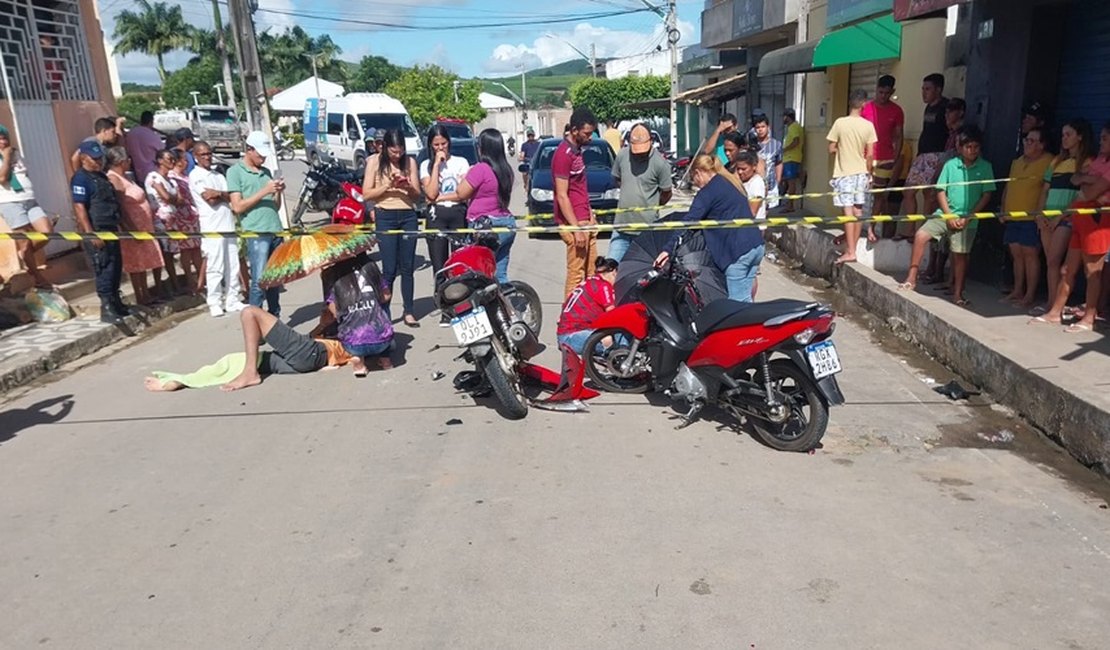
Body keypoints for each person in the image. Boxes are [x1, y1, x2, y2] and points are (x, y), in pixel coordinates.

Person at [148, 256, 394, 392]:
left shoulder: (338, 290)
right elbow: (382, 301)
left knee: (249, 313)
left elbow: (330, 321)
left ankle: (249, 375)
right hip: (311, 359)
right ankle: (185, 380)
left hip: (314, 352)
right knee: (240, 360)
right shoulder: (366, 309)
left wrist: (323, 322)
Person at [900, 126, 995, 306]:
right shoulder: (951, 165)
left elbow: (986, 195)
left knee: (960, 255)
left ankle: (958, 293)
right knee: (921, 236)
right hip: (945, 214)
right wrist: (949, 215)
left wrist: (969, 216)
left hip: (968, 219)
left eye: (976, 147)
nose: (972, 151)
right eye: (968, 147)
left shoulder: (985, 167)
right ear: (960, 148)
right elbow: (940, 191)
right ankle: (911, 278)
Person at [656, 155, 763, 302]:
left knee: (736, 305)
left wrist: (667, 250)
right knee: (746, 299)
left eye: (694, 178)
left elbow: (689, 222)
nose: (695, 183)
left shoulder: (708, 192)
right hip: (755, 245)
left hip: (737, 252)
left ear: (698, 172)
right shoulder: (729, 182)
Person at [1036, 122, 1110, 332]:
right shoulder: (1100, 161)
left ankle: (1088, 318)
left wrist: (1087, 180)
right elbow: (1076, 179)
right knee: (1067, 268)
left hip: (1097, 220)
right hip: (1081, 215)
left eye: (1105, 138)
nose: (1100, 141)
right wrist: (1089, 179)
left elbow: (1089, 192)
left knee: (1092, 271)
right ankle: (1054, 313)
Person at [361, 128, 420, 327]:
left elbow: (417, 195)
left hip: (407, 215)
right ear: (384, 147)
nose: (397, 155)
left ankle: (409, 311)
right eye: (393, 152)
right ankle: (384, 312)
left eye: (400, 151)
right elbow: (366, 194)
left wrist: (407, 186)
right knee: (389, 268)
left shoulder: (409, 162)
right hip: (385, 215)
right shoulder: (374, 162)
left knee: (408, 266)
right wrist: (387, 187)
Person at [71, 141, 131, 323]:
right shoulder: (80, 178)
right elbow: (79, 208)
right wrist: (91, 233)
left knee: (115, 267)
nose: (98, 162)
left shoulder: (101, 177)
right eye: (93, 158)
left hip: (110, 228)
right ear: (83, 158)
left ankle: (115, 301)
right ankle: (107, 308)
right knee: (104, 268)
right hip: (97, 229)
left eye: (99, 158)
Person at [228, 131, 285, 317]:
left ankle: (274, 318)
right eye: (260, 154)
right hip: (257, 232)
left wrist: (277, 191)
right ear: (249, 150)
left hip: (275, 229)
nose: (263, 158)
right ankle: (255, 321)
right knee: (259, 281)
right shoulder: (235, 172)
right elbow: (237, 206)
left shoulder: (266, 173)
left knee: (274, 280)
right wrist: (264, 191)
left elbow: (275, 206)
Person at [190, 140, 245, 317]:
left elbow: (231, 196)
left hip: (227, 224)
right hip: (211, 226)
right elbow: (210, 199)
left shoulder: (219, 176)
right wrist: (220, 195)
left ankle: (232, 299)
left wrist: (219, 193)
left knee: (232, 264)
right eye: (202, 154)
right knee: (215, 266)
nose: (207, 157)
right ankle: (214, 301)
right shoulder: (196, 175)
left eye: (208, 153)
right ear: (195, 157)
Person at [104, 146, 163, 306]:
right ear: (121, 161)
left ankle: (146, 293)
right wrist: (130, 228)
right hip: (132, 226)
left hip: (144, 225)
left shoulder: (127, 176)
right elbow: (121, 205)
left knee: (143, 261)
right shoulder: (114, 178)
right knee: (135, 263)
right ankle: (140, 295)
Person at [999, 127, 1051, 308]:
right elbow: (1008, 187)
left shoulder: (1049, 162)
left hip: (1031, 217)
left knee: (1030, 255)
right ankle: (1017, 290)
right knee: (1016, 254)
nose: (1027, 144)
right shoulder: (1017, 162)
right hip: (1013, 215)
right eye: (1026, 140)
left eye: (1032, 141)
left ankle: (1029, 295)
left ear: (1042, 145)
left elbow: (1047, 189)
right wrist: (1003, 208)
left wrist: (1039, 213)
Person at [456, 128, 517, 283]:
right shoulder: (507, 170)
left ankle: (484, 307)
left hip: (485, 227)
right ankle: (505, 305)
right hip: (506, 223)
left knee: (480, 276)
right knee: (500, 273)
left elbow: (461, 194)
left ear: (482, 148)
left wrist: (463, 178)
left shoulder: (480, 169)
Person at [827, 89, 878, 264]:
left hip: (844, 173)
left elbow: (831, 148)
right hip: (861, 172)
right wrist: (869, 173)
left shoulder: (840, 123)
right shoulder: (868, 126)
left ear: (850, 103)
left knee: (848, 213)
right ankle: (852, 248)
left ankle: (850, 251)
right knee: (858, 212)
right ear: (864, 104)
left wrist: (843, 148)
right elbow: (870, 155)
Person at [0, 124, 55, 288]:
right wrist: (6, 156)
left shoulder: (16, 153)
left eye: (4, 138)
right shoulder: (8, 155)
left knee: (46, 232)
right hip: (9, 202)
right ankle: (37, 277)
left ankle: (25, 254)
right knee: (24, 241)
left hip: (29, 199)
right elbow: (3, 177)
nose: (3, 141)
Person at [608, 123, 672, 262]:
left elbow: (667, 193)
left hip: (647, 230)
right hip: (621, 227)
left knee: (644, 273)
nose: (640, 155)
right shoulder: (622, 156)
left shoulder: (660, 163)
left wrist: (652, 204)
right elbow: (617, 179)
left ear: (651, 142)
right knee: (610, 267)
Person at [552, 107, 599, 298]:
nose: (590, 137)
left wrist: (590, 213)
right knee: (576, 274)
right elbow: (562, 195)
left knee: (592, 272)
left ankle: (587, 311)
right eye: (587, 133)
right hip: (575, 224)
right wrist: (576, 228)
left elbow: (579, 188)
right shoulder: (563, 155)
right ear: (574, 130)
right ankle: (569, 319)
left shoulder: (576, 151)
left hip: (585, 219)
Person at [420, 124, 471, 281]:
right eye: (436, 145)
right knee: (439, 265)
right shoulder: (425, 166)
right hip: (437, 216)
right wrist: (436, 165)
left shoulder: (461, 162)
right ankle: (442, 296)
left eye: (444, 143)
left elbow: (463, 194)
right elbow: (430, 193)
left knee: (460, 262)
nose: (441, 148)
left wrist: (440, 198)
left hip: (457, 213)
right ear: (430, 146)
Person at [861, 75, 904, 238]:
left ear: (892, 91)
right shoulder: (866, 108)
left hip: (885, 157)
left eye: (887, 93)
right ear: (876, 89)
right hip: (864, 157)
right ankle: (853, 229)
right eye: (880, 92)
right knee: (858, 194)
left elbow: (900, 135)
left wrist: (896, 156)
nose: (883, 96)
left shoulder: (897, 110)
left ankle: (871, 227)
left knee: (879, 196)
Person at [902, 74, 949, 219]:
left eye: (928, 89)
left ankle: (925, 231)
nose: (924, 92)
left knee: (929, 194)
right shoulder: (928, 107)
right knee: (908, 191)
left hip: (937, 155)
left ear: (939, 90)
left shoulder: (945, 107)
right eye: (923, 89)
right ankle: (910, 231)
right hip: (922, 155)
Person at [145, 149, 188, 295]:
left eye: (173, 159)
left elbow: (180, 200)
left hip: (172, 220)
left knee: (170, 254)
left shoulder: (170, 180)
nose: (172, 162)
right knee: (162, 254)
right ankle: (160, 287)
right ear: (159, 160)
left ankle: (174, 284)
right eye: (169, 159)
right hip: (160, 221)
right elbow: (166, 198)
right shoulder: (153, 177)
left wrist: (170, 196)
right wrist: (171, 197)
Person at [556, 256, 618, 354]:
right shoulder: (604, 285)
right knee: (612, 342)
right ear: (614, 272)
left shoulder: (590, 281)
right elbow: (612, 313)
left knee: (607, 334)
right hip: (572, 337)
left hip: (565, 335)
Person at [169, 149, 203, 293]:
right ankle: (190, 279)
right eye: (183, 159)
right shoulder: (172, 177)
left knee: (196, 248)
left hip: (192, 215)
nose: (186, 162)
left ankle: (201, 279)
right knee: (186, 250)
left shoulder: (185, 176)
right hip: (181, 216)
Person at [752, 113, 783, 210]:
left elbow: (779, 163)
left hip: (771, 185)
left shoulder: (777, 144)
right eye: (757, 127)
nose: (760, 130)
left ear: (768, 127)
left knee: (768, 212)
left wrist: (778, 180)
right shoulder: (751, 144)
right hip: (755, 185)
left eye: (763, 127)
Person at [124, 110, 163, 186]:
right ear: (151, 121)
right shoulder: (152, 135)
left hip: (138, 173)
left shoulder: (131, 134)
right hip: (153, 173)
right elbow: (162, 151)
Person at [781, 108, 805, 212]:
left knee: (791, 182)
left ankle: (790, 206)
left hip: (791, 157)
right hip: (792, 157)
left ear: (787, 117)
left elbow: (796, 141)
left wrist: (785, 149)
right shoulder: (796, 126)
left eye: (784, 116)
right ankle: (801, 174)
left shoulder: (793, 127)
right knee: (788, 180)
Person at [732, 149, 766, 221]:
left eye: (744, 169)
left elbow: (752, 212)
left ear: (754, 167)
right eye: (738, 169)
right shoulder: (744, 182)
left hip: (754, 228)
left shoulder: (757, 183)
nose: (740, 172)